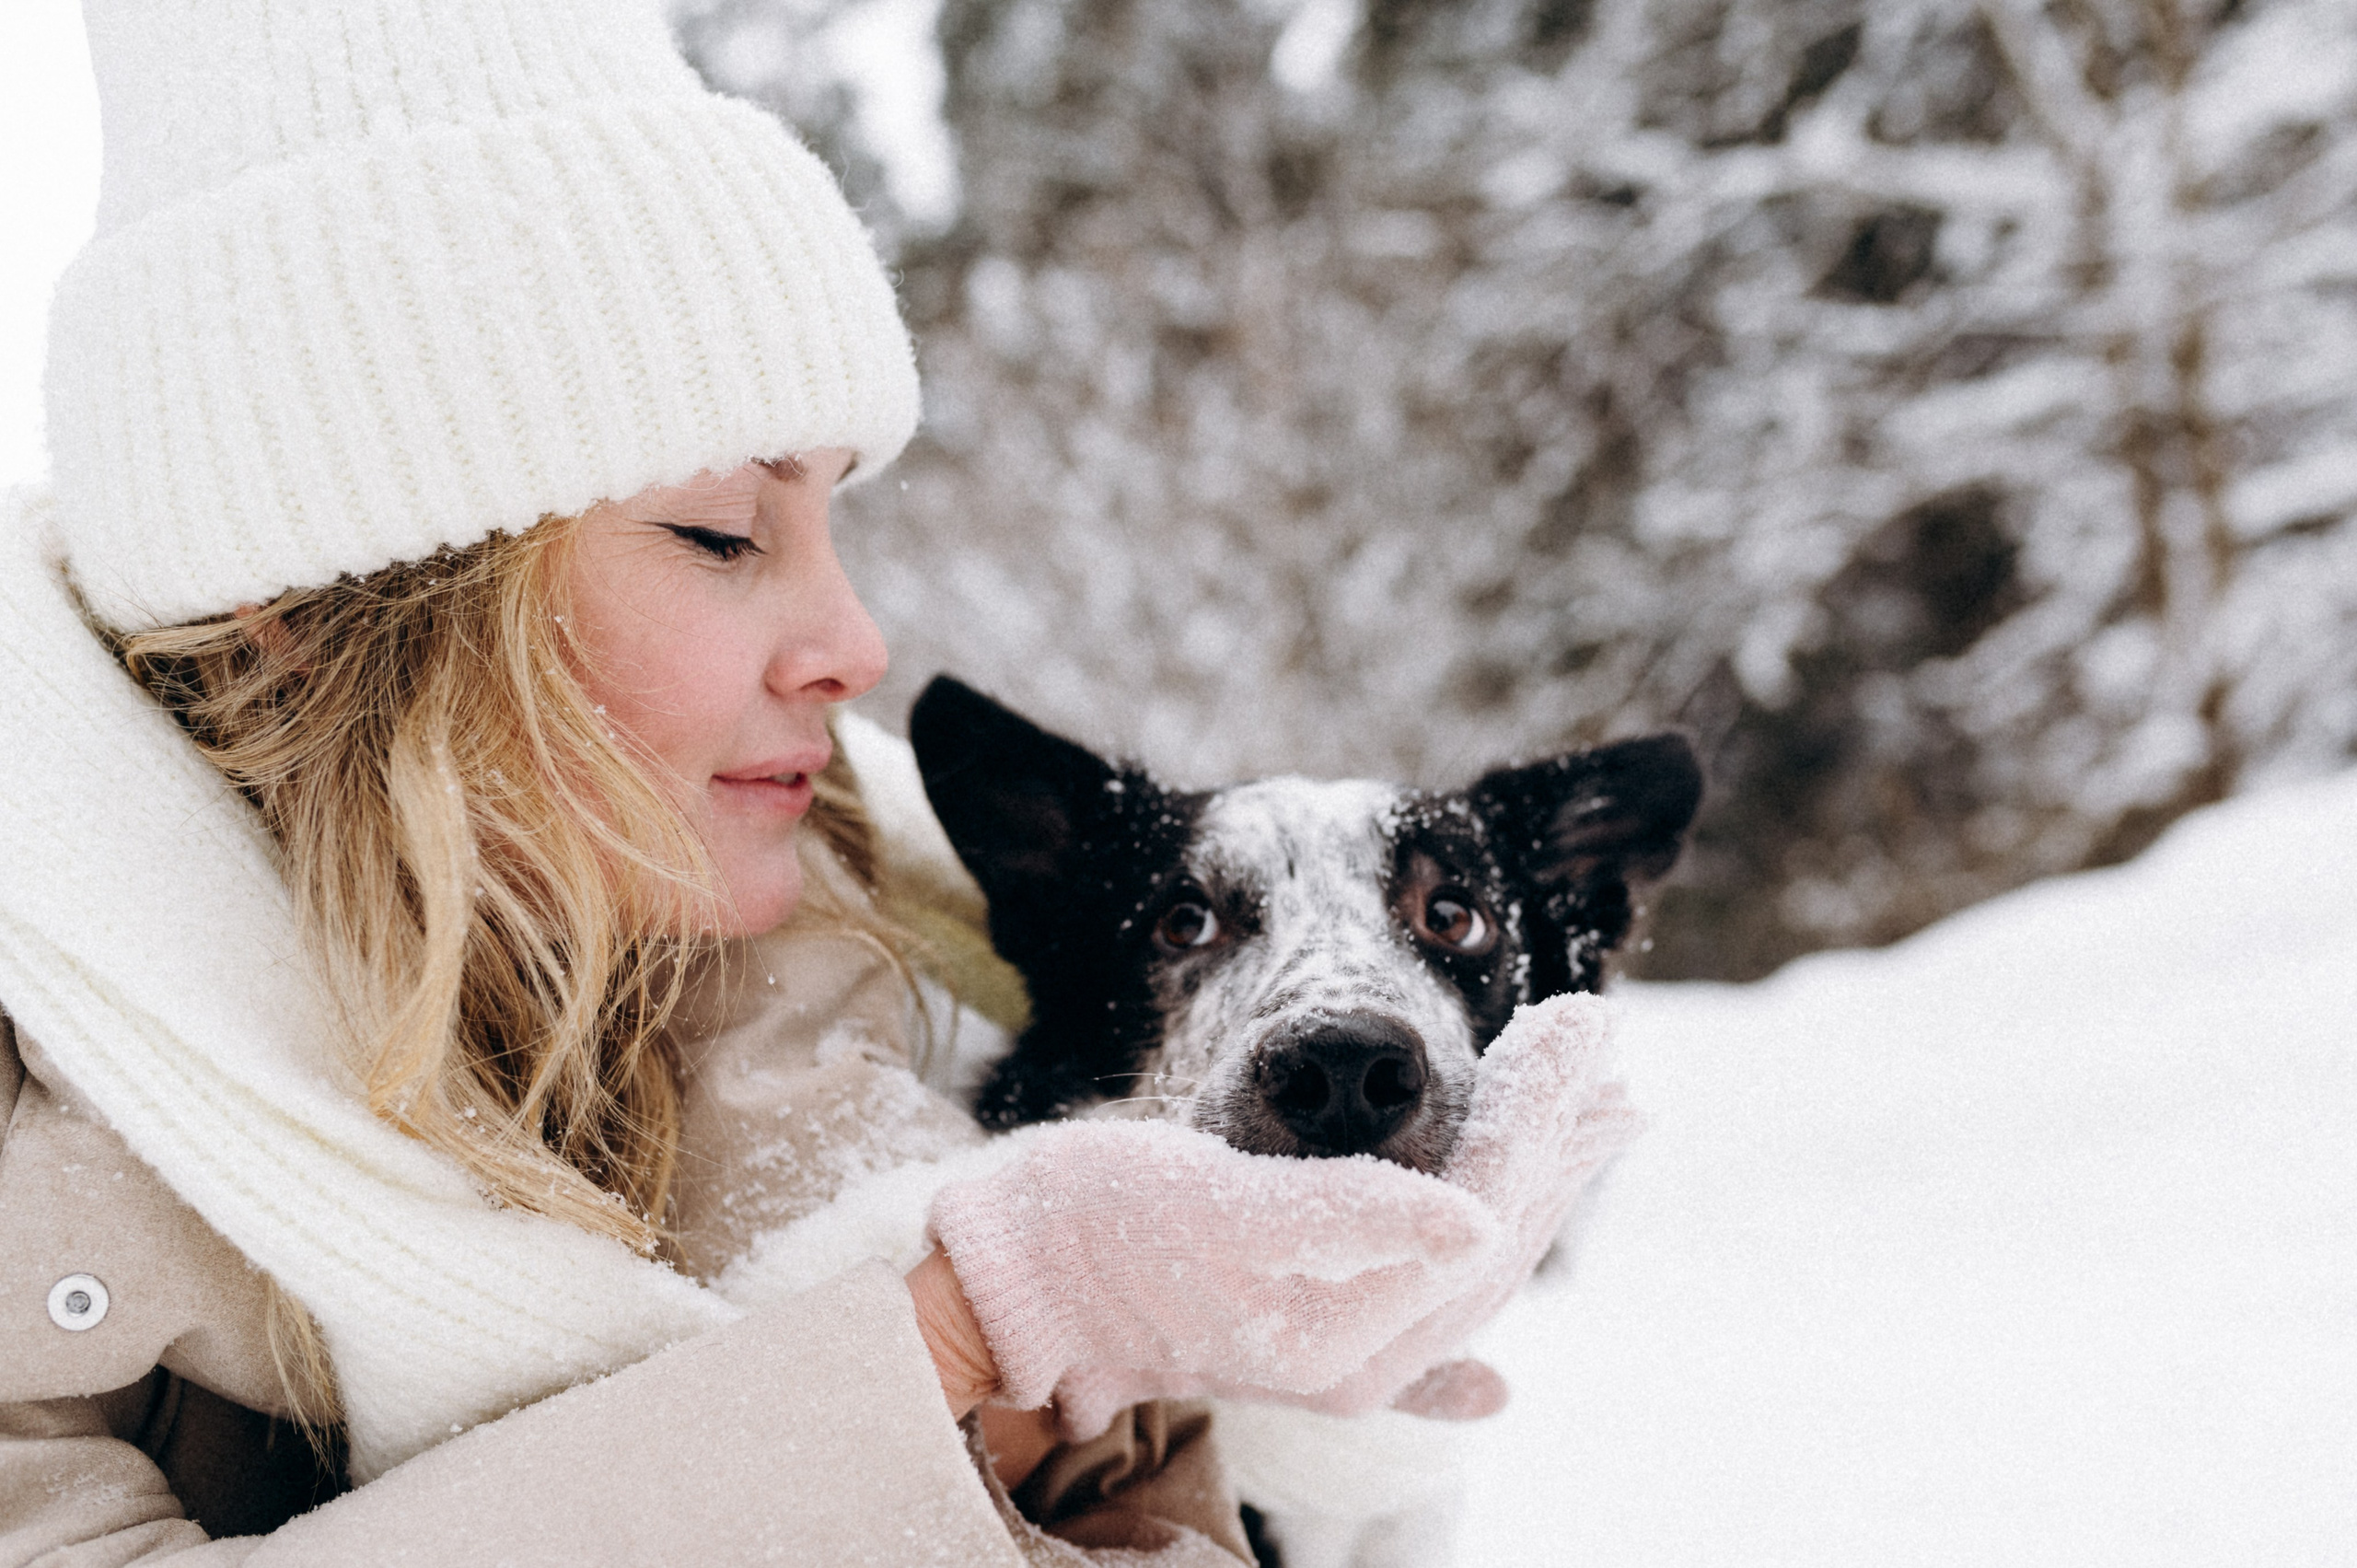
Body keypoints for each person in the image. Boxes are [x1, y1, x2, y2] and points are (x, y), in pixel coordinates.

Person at [0, 2, 1636, 1563]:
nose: (855, 645)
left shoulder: (852, 990)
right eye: (724, 531)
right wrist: (945, 1344)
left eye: (840, 518)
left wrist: (1280, 1427)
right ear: (318, 616)